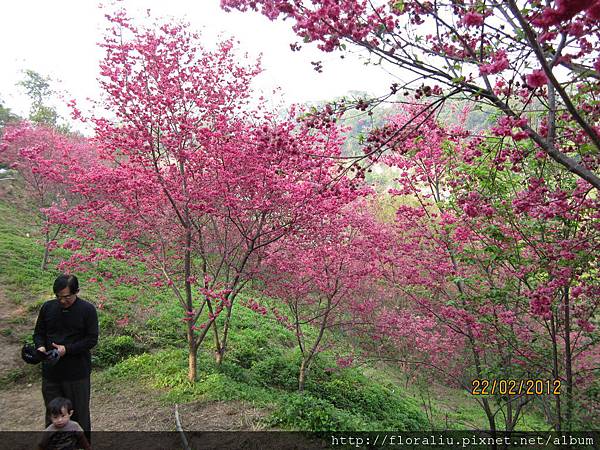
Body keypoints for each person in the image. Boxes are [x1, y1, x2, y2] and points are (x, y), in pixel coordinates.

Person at [34, 274, 99, 444]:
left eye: (66, 297)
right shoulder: (47, 308)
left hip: (77, 373)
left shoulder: (87, 310)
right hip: (51, 372)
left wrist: (67, 350)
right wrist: (40, 347)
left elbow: (91, 339)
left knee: (79, 415)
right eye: (58, 297)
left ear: (77, 292)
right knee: (54, 415)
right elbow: (39, 333)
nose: (62, 301)